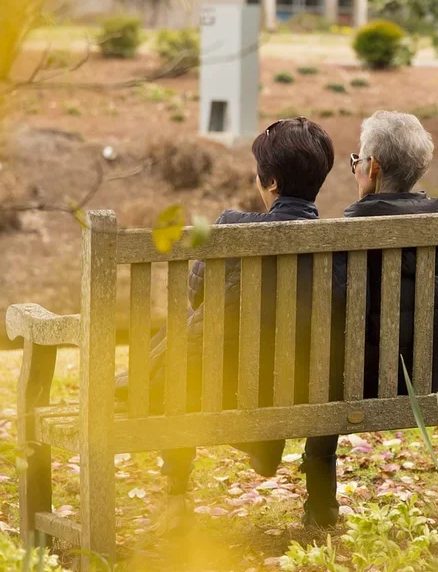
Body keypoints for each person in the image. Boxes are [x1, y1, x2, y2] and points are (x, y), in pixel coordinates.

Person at [116, 117, 335, 524]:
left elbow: (197, 293)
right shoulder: (339, 244)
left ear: (270, 183)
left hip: (226, 385)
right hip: (308, 387)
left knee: (183, 338)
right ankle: (312, 496)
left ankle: (178, 496)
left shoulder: (234, 227)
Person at [310, 111, 438, 528]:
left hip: (358, 383)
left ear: (372, 168)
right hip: (427, 377)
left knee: (323, 374)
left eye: (357, 160)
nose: (355, 167)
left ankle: (321, 508)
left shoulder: (349, 230)